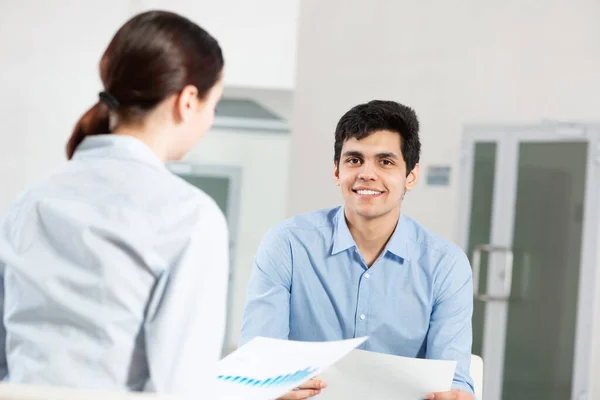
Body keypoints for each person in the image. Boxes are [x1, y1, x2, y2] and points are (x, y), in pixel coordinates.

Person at [0, 10, 228, 398]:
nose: (209, 120)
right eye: (214, 105)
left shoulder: (29, 202)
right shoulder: (190, 216)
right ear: (188, 101)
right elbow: (182, 388)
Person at [239, 100, 475, 400]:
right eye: (354, 160)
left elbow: (454, 381)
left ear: (411, 177)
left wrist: (458, 395)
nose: (367, 174)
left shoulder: (446, 266)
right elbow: (257, 362)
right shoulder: (287, 245)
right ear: (337, 171)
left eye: (385, 162)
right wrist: (267, 386)